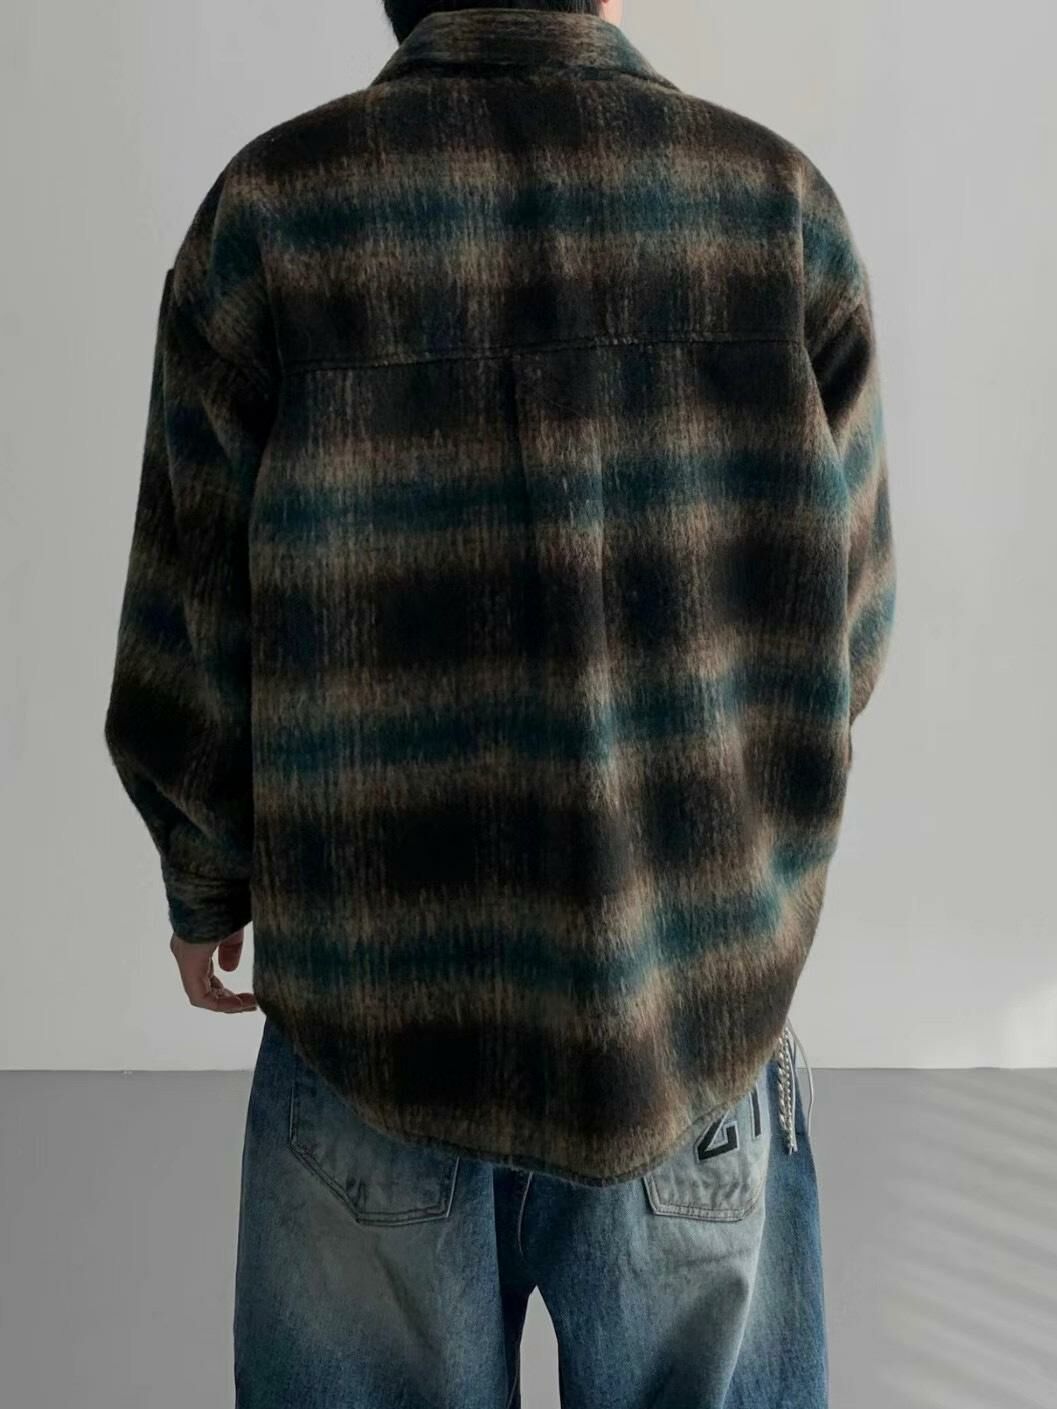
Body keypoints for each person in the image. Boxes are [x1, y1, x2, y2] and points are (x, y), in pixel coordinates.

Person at [103, 2, 895, 1405]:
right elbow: (850, 630)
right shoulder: (778, 214)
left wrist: (204, 877)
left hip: (374, 1014)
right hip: (688, 1021)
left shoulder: (275, 215)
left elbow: (190, 617)